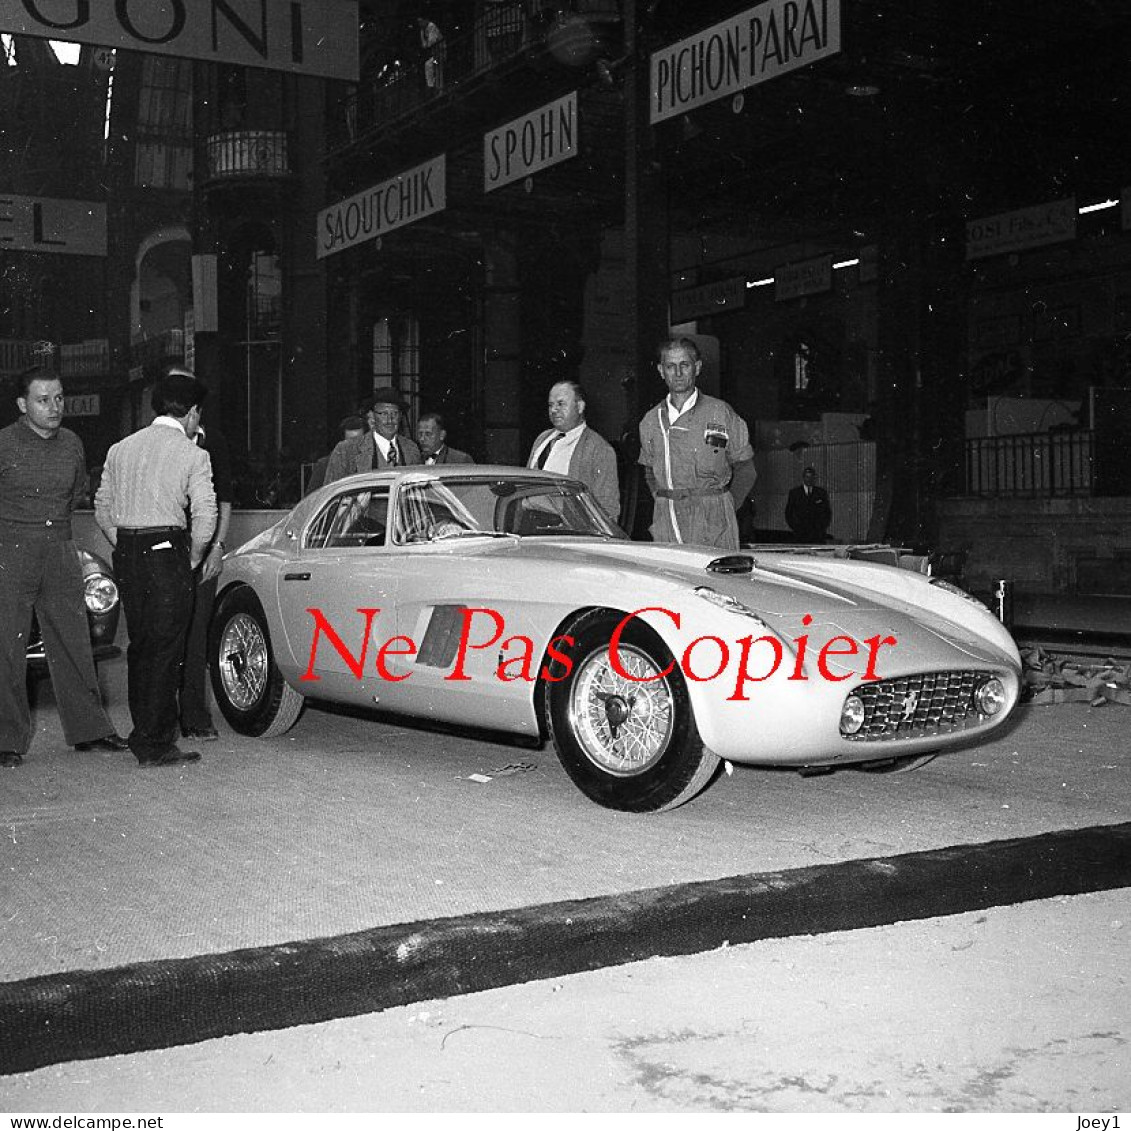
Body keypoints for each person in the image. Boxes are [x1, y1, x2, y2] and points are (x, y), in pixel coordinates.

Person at [0, 367, 129, 768]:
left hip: (59, 549)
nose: (54, 407)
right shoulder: (3, 444)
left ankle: (90, 731)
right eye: (43, 400)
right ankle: (7, 739)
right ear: (23, 405)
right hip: (12, 549)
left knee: (74, 641)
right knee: (8, 647)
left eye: (59, 398)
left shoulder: (72, 443)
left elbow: (75, 495)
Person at [95, 368, 217, 767]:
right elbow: (206, 514)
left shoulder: (120, 448)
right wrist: (193, 558)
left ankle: (141, 733)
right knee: (167, 649)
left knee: (141, 646)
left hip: (128, 552)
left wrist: (124, 541)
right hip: (167, 552)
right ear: (192, 413)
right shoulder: (193, 454)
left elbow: (102, 507)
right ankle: (157, 742)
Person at [638, 337, 756, 551]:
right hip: (668, 523)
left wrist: (723, 508)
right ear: (660, 370)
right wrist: (666, 500)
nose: (678, 373)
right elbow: (649, 473)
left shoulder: (721, 413)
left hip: (713, 523)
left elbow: (747, 471)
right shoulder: (650, 420)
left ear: (697, 367)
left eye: (685, 365)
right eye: (670, 366)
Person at [179, 415, 233, 741]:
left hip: (204, 547)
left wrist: (217, 547)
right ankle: (162, 717)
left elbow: (224, 499)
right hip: (167, 546)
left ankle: (195, 715)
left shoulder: (214, 443)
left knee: (197, 633)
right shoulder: (159, 440)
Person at [527, 380, 620, 521]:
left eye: (561, 404)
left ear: (580, 406)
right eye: (550, 405)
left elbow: (608, 508)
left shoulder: (599, 449)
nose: (553, 410)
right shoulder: (542, 439)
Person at [324, 388, 422, 483]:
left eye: (394, 413)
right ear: (373, 416)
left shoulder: (411, 449)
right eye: (383, 414)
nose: (389, 420)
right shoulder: (346, 451)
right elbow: (329, 493)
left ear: (400, 416)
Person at [306, 414, 365, 494]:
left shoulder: (372, 461)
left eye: (360, 440)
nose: (356, 445)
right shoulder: (324, 465)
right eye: (351, 441)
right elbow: (312, 498)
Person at [785, 465, 833, 543]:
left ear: (814, 478)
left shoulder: (821, 493)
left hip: (817, 534)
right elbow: (789, 513)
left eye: (811, 477)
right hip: (800, 534)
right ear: (803, 478)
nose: (809, 480)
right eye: (807, 477)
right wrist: (796, 527)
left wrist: (821, 527)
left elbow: (827, 512)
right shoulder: (794, 493)